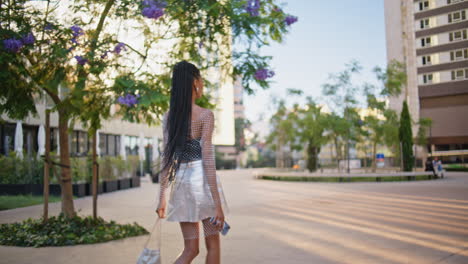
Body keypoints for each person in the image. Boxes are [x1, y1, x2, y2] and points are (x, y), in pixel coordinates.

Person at [156, 61, 229, 264]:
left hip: (181, 184)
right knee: (213, 246)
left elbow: (166, 158)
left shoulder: (169, 117)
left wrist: (161, 197)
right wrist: (217, 205)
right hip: (202, 184)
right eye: (202, 80)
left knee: (190, 249)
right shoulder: (205, 115)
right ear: (195, 82)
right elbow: (207, 159)